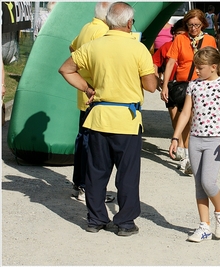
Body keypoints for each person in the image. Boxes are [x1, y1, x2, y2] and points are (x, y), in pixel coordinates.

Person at [58, 2, 158, 236]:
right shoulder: (138, 48)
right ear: (130, 22)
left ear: (109, 21)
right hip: (127, 119)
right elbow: (151, 86)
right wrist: (152, 69)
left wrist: (87, 88)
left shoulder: (94, 46)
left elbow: (65, 69)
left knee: (96, 171)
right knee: (128, 174)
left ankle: (95, 219)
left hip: (99, 116)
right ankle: (124, 222)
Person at [169, 46, 220, 242]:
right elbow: (185, 113)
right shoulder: (193, 85)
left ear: (213, 67)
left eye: (200, 67)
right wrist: (175, 137)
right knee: (198, 184)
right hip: (195, 140)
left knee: (208, 182)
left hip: (215, 140)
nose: (197, 70)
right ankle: (204, 226)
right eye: (195, 67)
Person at [161, 9, 217, 175]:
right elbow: (171, 62)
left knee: (195, 121)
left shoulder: (209, 40)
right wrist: (165, 85)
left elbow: (215, 64)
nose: (193, 28)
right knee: (187, 118)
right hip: (184, 85)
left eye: (197, 25)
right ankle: (187, 155)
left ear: (203, 24)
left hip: (203, 85)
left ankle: (190, 153)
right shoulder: (180, 38)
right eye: (190, 25)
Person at [69, 2, 114, 203]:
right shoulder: (104, 32)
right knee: (92, 143)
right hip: (95, 93)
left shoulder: (87, 27)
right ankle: (87, 188)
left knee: (82, 138)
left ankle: (79, 183)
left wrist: (82, 72)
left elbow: (72, 46)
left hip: (83, 91)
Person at [152, 19, 186, 160]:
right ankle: (179, 144)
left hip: (187, 85)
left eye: (183, 34)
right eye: (177, 34)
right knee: (174, 118)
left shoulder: (191, 46)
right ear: (173, 34)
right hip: (171, 86)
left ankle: (184, 148)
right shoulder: (167, 47)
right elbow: (154, 62)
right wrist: (157, 79)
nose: (180, 37)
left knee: (187, 118)